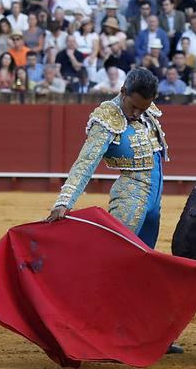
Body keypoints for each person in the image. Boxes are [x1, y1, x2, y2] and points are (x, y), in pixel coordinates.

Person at [47, 67, 167, 246]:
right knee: (115, 254)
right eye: (134, 107)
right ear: (123, 91)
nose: (137, 114)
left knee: (145, 260)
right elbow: (86, 162)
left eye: (143, 109)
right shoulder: (107, 119)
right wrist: (64, 201)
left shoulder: (144, 109)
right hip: (131, 199)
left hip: (155, 202)